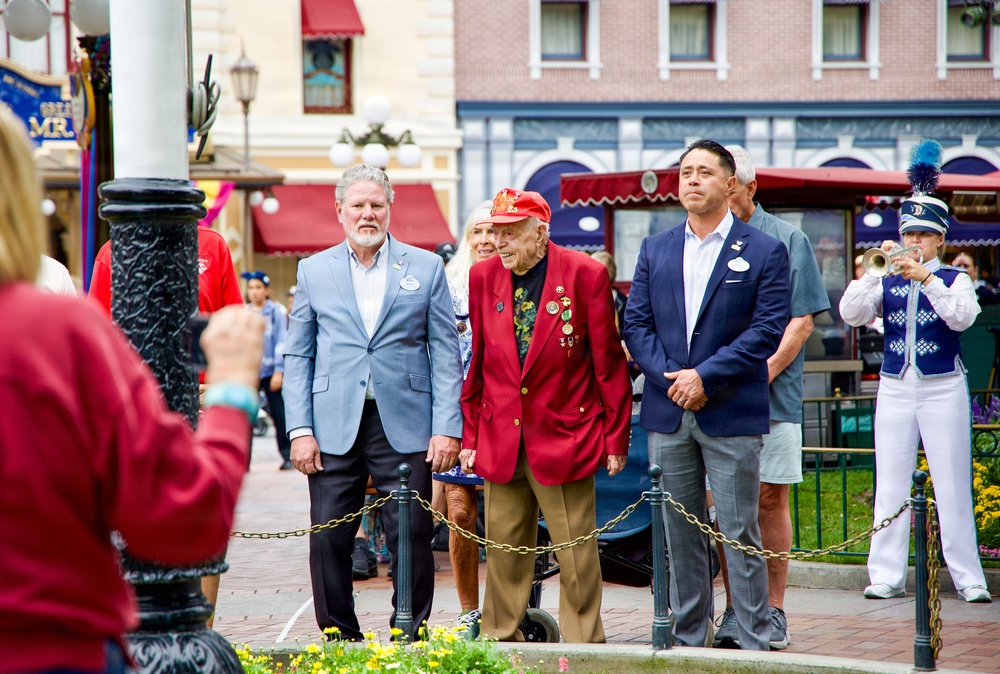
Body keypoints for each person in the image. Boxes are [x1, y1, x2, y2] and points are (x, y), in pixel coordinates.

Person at [0, 105, 265, 674]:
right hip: (51, 649)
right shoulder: (57, 335)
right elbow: (183, 519)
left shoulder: (212, 248)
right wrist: (234, 391)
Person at [283, 164, 464, 639]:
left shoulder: (425, 267)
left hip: (404, 420)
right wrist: (299, 430)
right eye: (358, 206)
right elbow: (298, 353)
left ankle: (410, 633)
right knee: (328, 535)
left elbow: (446, 353)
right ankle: (339, 635)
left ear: (390, 209)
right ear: (339, 210)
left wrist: (447, 425)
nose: (368, 214)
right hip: (330, 424)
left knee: (411, 533)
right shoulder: (313, 269)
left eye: (376, 205)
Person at [623, 139, 790, 651]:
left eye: (704, 172)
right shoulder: (656, 247)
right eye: (686, 172)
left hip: (730, 409)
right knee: (679, 529)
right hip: (670, 408)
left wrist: (705, 377)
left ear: (730, 184)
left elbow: (766, 330)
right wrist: (675, 377)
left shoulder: (764, 250)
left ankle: (751, 634)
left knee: (739, 528)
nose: (692, 180)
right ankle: (689, 634)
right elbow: (636, 323)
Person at [460, 188, 632, 643]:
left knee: (576, 553)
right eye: (496, 231)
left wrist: (616, 438)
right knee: (503, 550)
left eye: (511, 232)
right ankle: (499, 636)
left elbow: (609, 366)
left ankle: (583, 645)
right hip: (501, 435)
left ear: (541, 232)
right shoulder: (482, 278)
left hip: (564, 435)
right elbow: (478, 365)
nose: (500, 241)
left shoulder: (585, 274)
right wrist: (471, 435)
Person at [840, 193, 992, 604]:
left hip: (943, 385)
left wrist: (925, 279)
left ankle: (968, 577)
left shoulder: (953, 280)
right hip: (895, 385)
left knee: (952, 482)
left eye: (924, 234)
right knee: (890, 481)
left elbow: (961, 317)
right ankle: (887, 574)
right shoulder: (885, 277)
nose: (916, 241)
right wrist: (875, 272)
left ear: (940, 240)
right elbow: (850, 313)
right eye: (910, 233)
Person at [710, 145, 830, 650]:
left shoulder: (787, 239)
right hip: (714, 395)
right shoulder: (704, 240)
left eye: (727, 183)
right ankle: (737, 609)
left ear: (749, 188)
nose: (719, 192)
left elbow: (800, 323)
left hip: (770, 395)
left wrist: (760, 374)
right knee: (720, 506)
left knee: (768, 496)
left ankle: (773, 610)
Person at [430, 199, 496, 638]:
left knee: (517, 513)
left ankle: (513, 606)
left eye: (496, 232)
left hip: (511, 417)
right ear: (467, 237)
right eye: (479, 231)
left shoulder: (522, 280)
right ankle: (470, 610)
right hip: (460, 416)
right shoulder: (448, 286)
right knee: (459, 511)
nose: (488, 240)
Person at [88, 225, 243, 317]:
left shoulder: (212, 244)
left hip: (203, 369)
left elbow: (235, 320)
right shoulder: (113, 253)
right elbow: (96, 330)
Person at [243, 270, 292, 470]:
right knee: (246, 415)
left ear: (266, 290)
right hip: (250, 372)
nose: (254, 292)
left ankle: (288, 455)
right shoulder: (245, 312)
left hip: (271, 370)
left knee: (279, 414)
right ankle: (242, 460)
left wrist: (279, 370)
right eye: (251, 288)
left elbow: (282, 340)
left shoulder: (276, 312)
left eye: (258, 288)